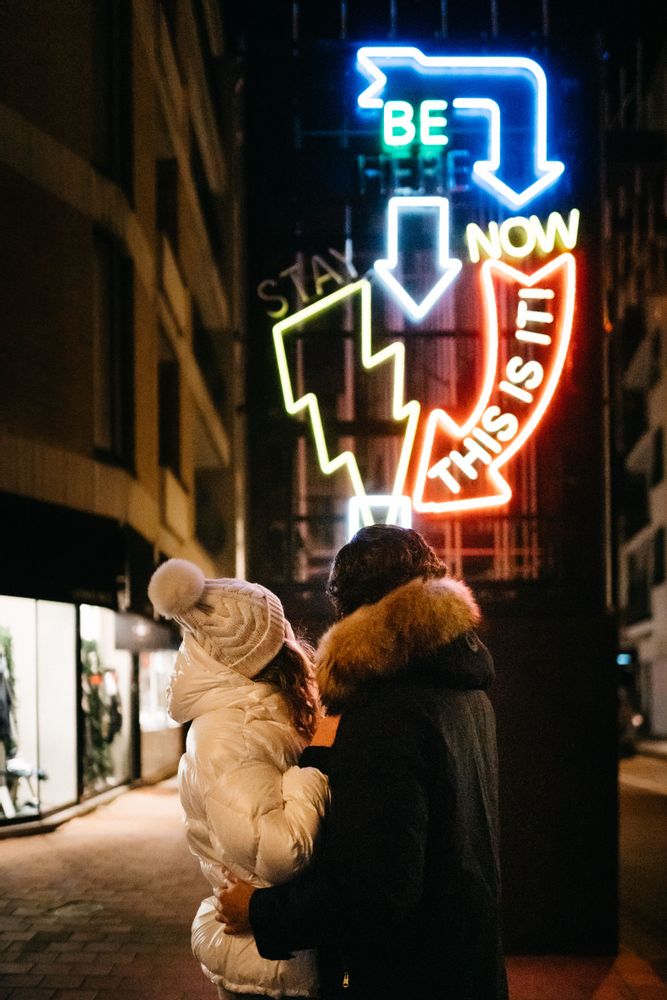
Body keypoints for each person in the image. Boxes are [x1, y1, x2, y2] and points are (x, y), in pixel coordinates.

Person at [216, 524, 508, 1000]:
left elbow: (374, 895)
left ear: (350, 612)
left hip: (408, 979)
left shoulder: (388, 712)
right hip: (465, 965)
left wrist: (261, 911)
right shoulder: (467, 694)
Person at [148, 558, 329, 1000]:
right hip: (268, 961)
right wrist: (313, 775)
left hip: (277, 948)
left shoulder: (255, 715)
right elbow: (280, 851)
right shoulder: (231, 732)